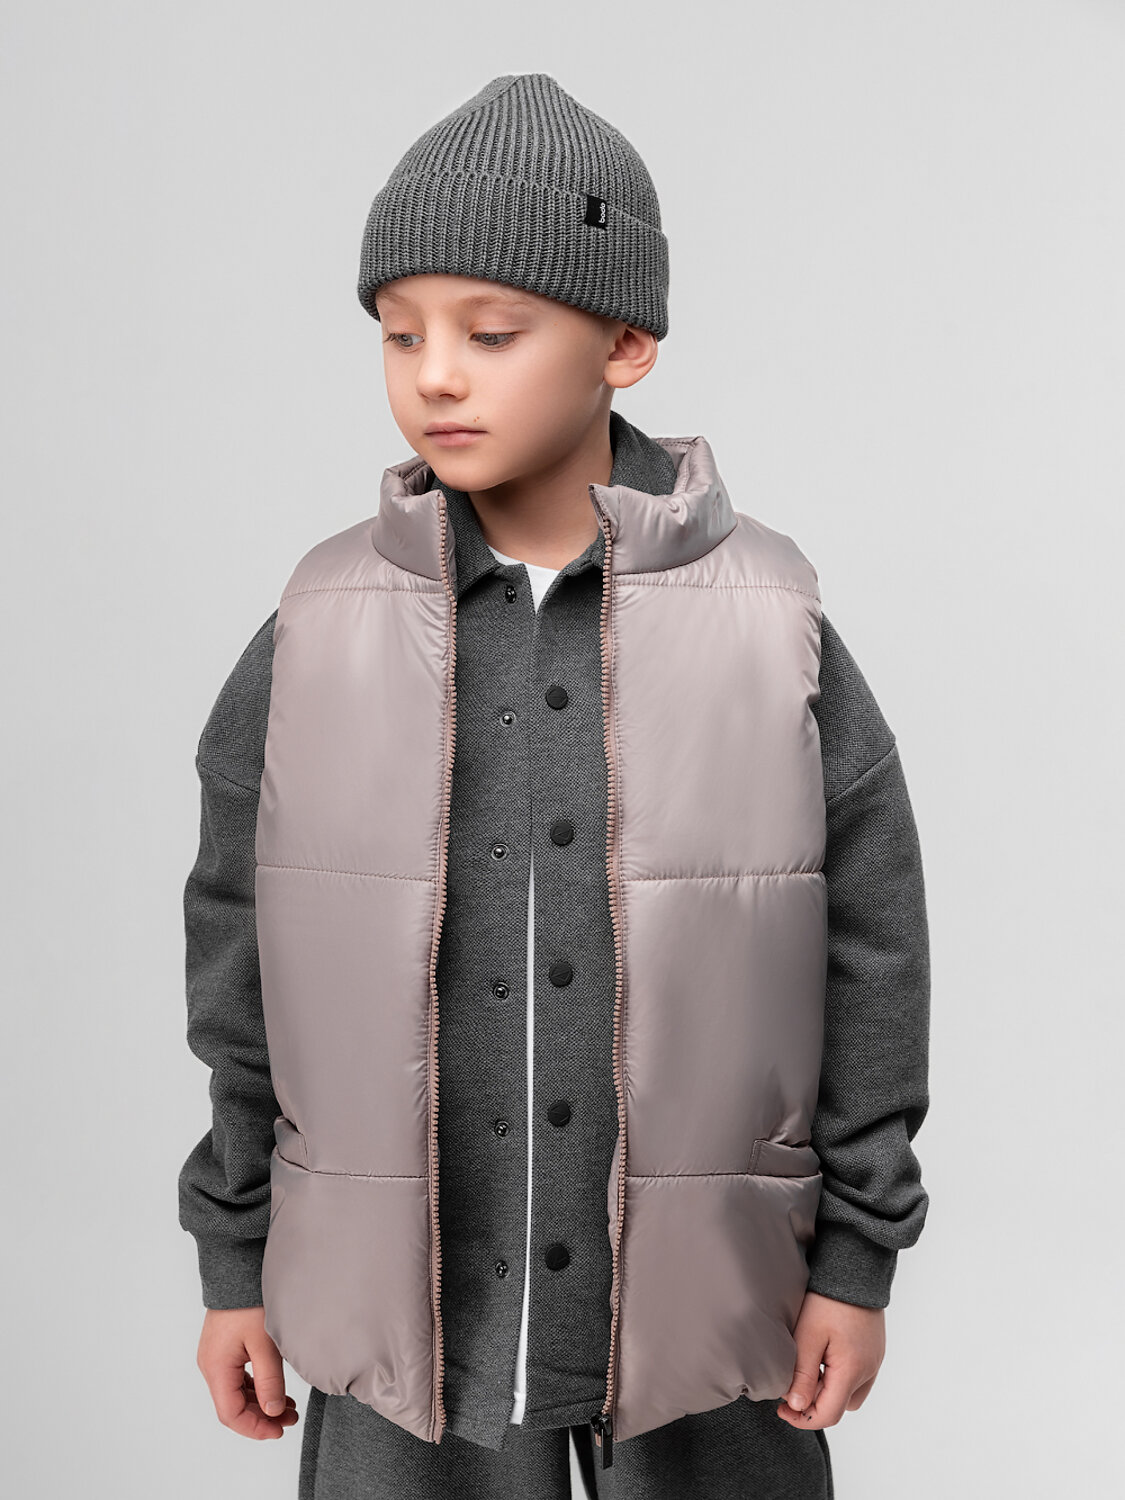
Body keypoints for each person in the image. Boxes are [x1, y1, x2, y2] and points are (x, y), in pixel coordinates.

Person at [178, 72, 931, 1500]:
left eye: (490, 332)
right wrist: (236, 1254)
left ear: (624, 343)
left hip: (718, 1306)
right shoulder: (318, 627)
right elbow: (237, 955)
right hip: (406, 1326)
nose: (434, 375)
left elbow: (873, 942)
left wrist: (856, 1254)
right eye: (400, 333)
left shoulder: (768, 620)